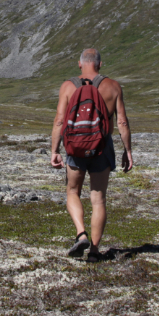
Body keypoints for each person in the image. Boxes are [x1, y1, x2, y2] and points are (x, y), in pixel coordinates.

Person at [50, 48, 133, 262]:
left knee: (72, 191)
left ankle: (81, 233)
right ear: (100, 64)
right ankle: (94, 252)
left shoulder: (68, 86)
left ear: (80, 64)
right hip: (102, 147)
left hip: (75, 147)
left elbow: (59, 120)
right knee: (98, 199)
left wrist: (54, 150)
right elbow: (122, 121)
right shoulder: (112, 86)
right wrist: (128, 151)